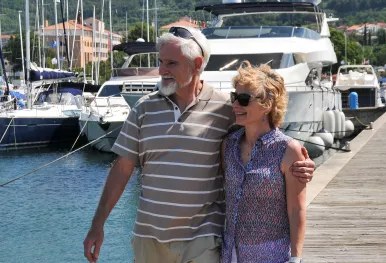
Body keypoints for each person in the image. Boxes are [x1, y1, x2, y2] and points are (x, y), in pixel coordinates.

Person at [83, 26, 315, 263]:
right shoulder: (143, 108)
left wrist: (302, 163)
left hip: (204, 238)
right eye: (160, 62)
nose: (162, 70)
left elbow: (265, 136)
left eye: (171, 63)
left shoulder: (226, 108)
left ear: (195, 64)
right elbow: (122, 169)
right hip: (149, 237)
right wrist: (97, 224)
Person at [221, 61, 306, 263]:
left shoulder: (289, 150)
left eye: (243, 99)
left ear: (267, 104)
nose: (235, 104)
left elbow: (296, 210)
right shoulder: (228, 145)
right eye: (234, 97)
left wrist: (296, 259)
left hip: (273, 255)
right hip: (231, 254)